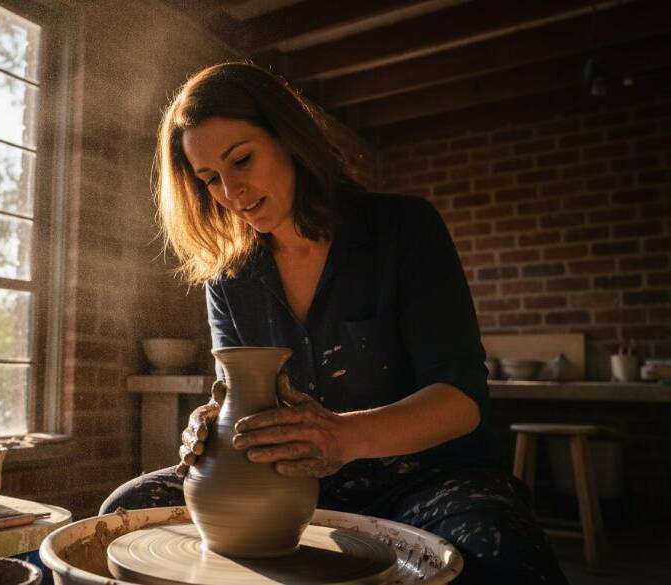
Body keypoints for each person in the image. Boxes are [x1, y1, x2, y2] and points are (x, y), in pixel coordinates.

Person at [100, 61, 568, 585]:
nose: (231, 192)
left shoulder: (402, 229)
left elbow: (461, 402)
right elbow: (235, 398)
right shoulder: (230, 276)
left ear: (290, 139)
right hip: (292, 485)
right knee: (125, 511)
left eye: (243, 160)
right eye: (211, 179)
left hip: (427, 479)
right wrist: (206, 430)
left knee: (500, 548)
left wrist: (343, 437)